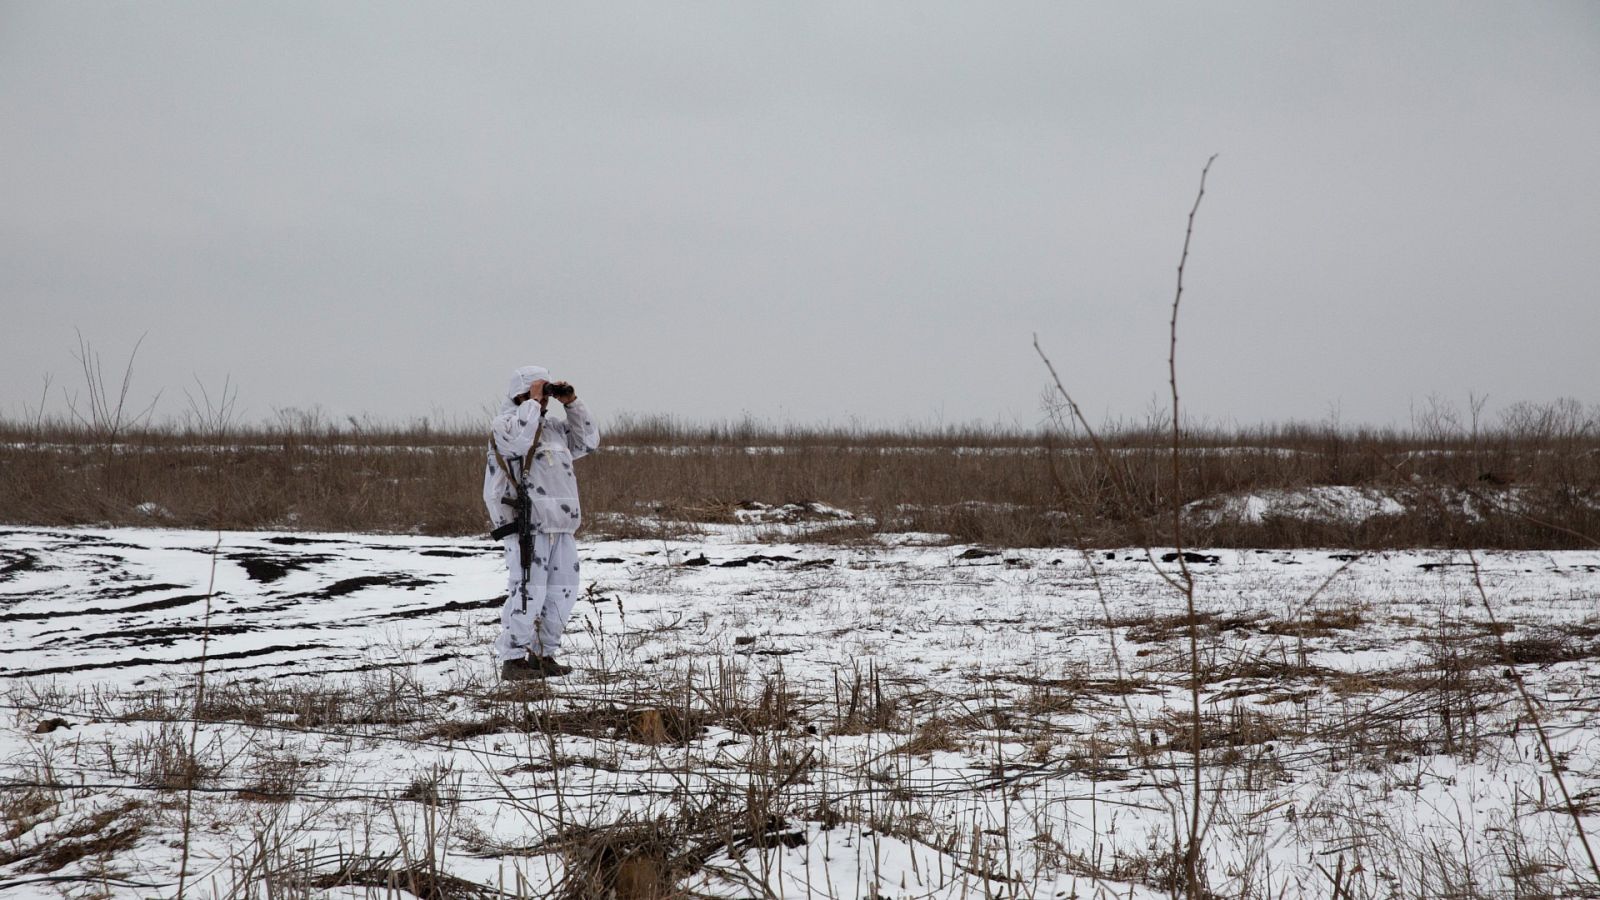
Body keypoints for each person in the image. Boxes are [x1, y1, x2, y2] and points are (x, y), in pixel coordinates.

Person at [482, 365, 600, 679]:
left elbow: (588, 442)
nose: (544, 400)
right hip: (526, 526)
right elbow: (519, 443)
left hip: (562, 523)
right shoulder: (505, 424)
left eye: (545, 393)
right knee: (527, 592)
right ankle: (513, 658)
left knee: (563, 591)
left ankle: (543, 653)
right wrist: (533, 402)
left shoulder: (555, 429)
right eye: (537, 392)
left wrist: (572, 402)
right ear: (518, 394)